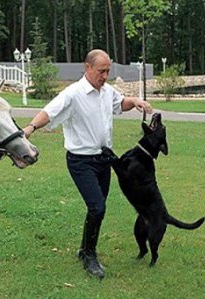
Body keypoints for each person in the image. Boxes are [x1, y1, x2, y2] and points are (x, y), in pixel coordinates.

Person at [23, 49, 153, 279]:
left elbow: (119, 103)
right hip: (80, 161)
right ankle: (90, 256)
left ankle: (84, 249)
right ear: (88, 67)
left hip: (104, 159)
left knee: (97, 208)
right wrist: (31, 128)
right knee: (97, 207)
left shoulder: (106, 91)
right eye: (102, 71)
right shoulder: (73, 94)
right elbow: (49, 112)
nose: (105, 76)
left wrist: (134, 101)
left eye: (108, 71)